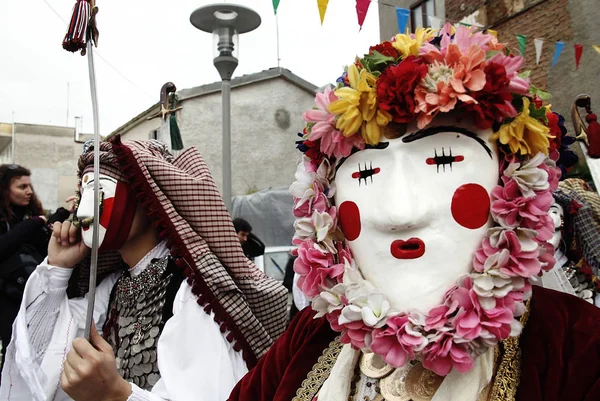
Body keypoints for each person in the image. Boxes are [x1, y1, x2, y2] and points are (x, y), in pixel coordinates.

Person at [228, 25, 600, 401]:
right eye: (366, 172)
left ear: (514, 184)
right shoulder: (311, 336)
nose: (399, 212)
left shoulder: (578, 346)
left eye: (442, 160)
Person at [0, 139, 289, 400]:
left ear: (146, 197)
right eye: (84, 191)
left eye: (98, 191)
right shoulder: (112, 287)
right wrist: (58, 270)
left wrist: (117, 394)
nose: (84, 210)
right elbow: (37, 366)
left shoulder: (193, 295)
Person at [0, 164, 70, 377]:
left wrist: (64, 216)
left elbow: (45, 246)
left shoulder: (32, 216)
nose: (29, 191)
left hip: (35, 298)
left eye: (30, 186)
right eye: (22, 186)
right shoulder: (19, 221)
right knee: (14, 352)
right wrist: (32, 224)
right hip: (7, 299)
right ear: (4, 189)